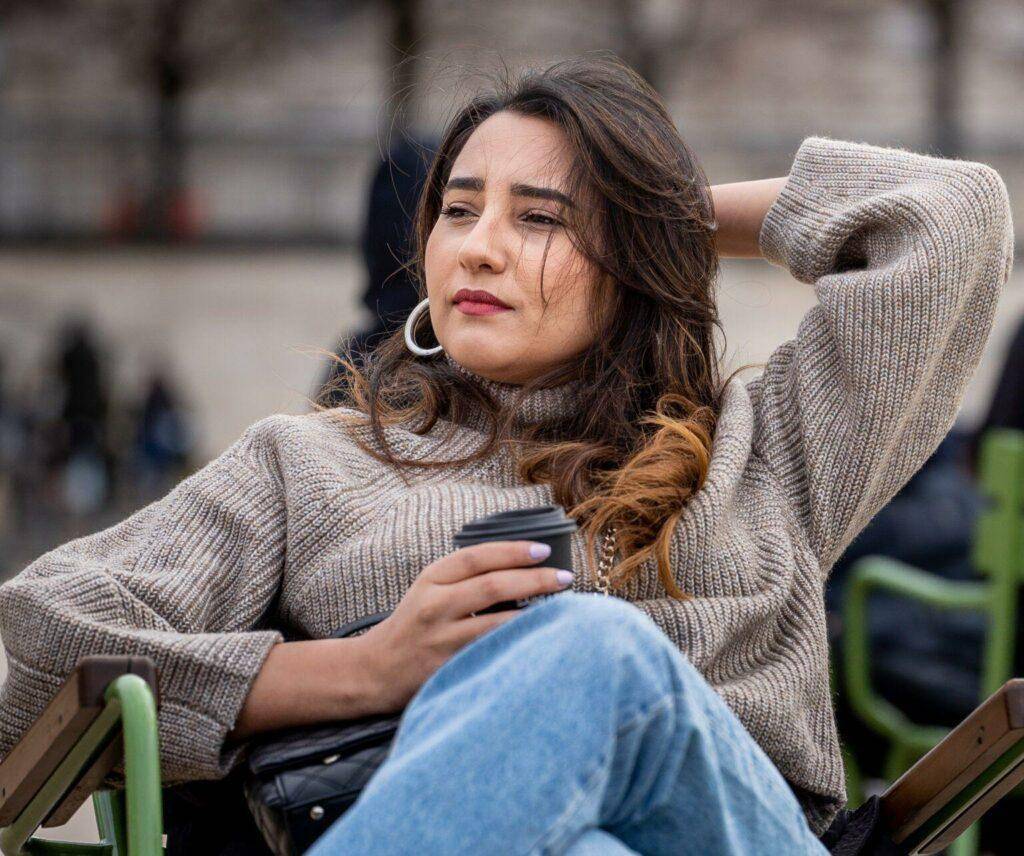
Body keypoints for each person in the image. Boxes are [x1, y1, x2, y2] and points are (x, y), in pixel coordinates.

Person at [0, 56, 1014, 855]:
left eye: (540, 218)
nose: (477, 246)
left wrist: (658, 215)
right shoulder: (308, 468)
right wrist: (358, 669)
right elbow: (45, 639)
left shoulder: (767, 449)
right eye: (457, 209)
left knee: (591, 649)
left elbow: (949, 217)